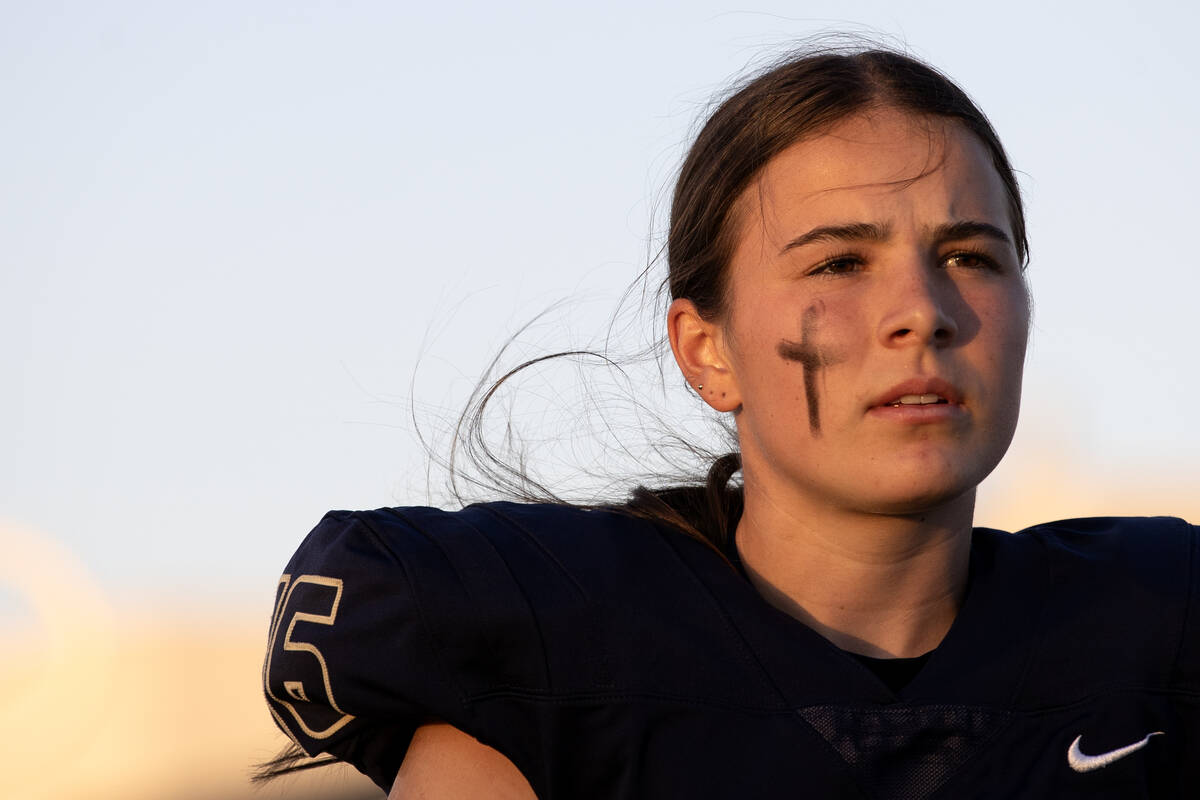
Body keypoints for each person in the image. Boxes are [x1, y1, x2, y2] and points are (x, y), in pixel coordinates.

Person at [261, 44, 1199, 798]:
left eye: (970, 256)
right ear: (706, 350)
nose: (923, 310)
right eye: (838, 264)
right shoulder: (552, 675)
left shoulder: (1161, 639)